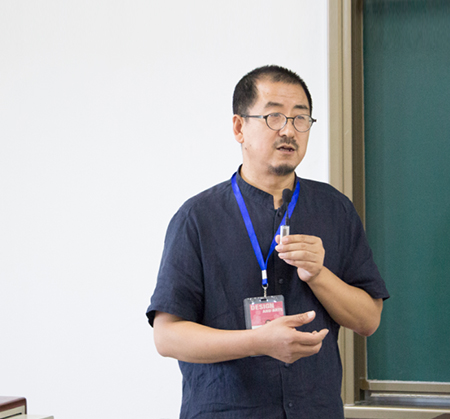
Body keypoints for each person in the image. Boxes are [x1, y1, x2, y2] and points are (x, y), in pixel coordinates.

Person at [146, 65, 389, 419]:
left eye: (300, 118)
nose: (289, 130)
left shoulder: (335, 209)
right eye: (274, 117)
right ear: (239, 127)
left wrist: (318, 275)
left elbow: (368, 320)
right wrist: (257, 342)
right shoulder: (197, 218)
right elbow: (167, 336)